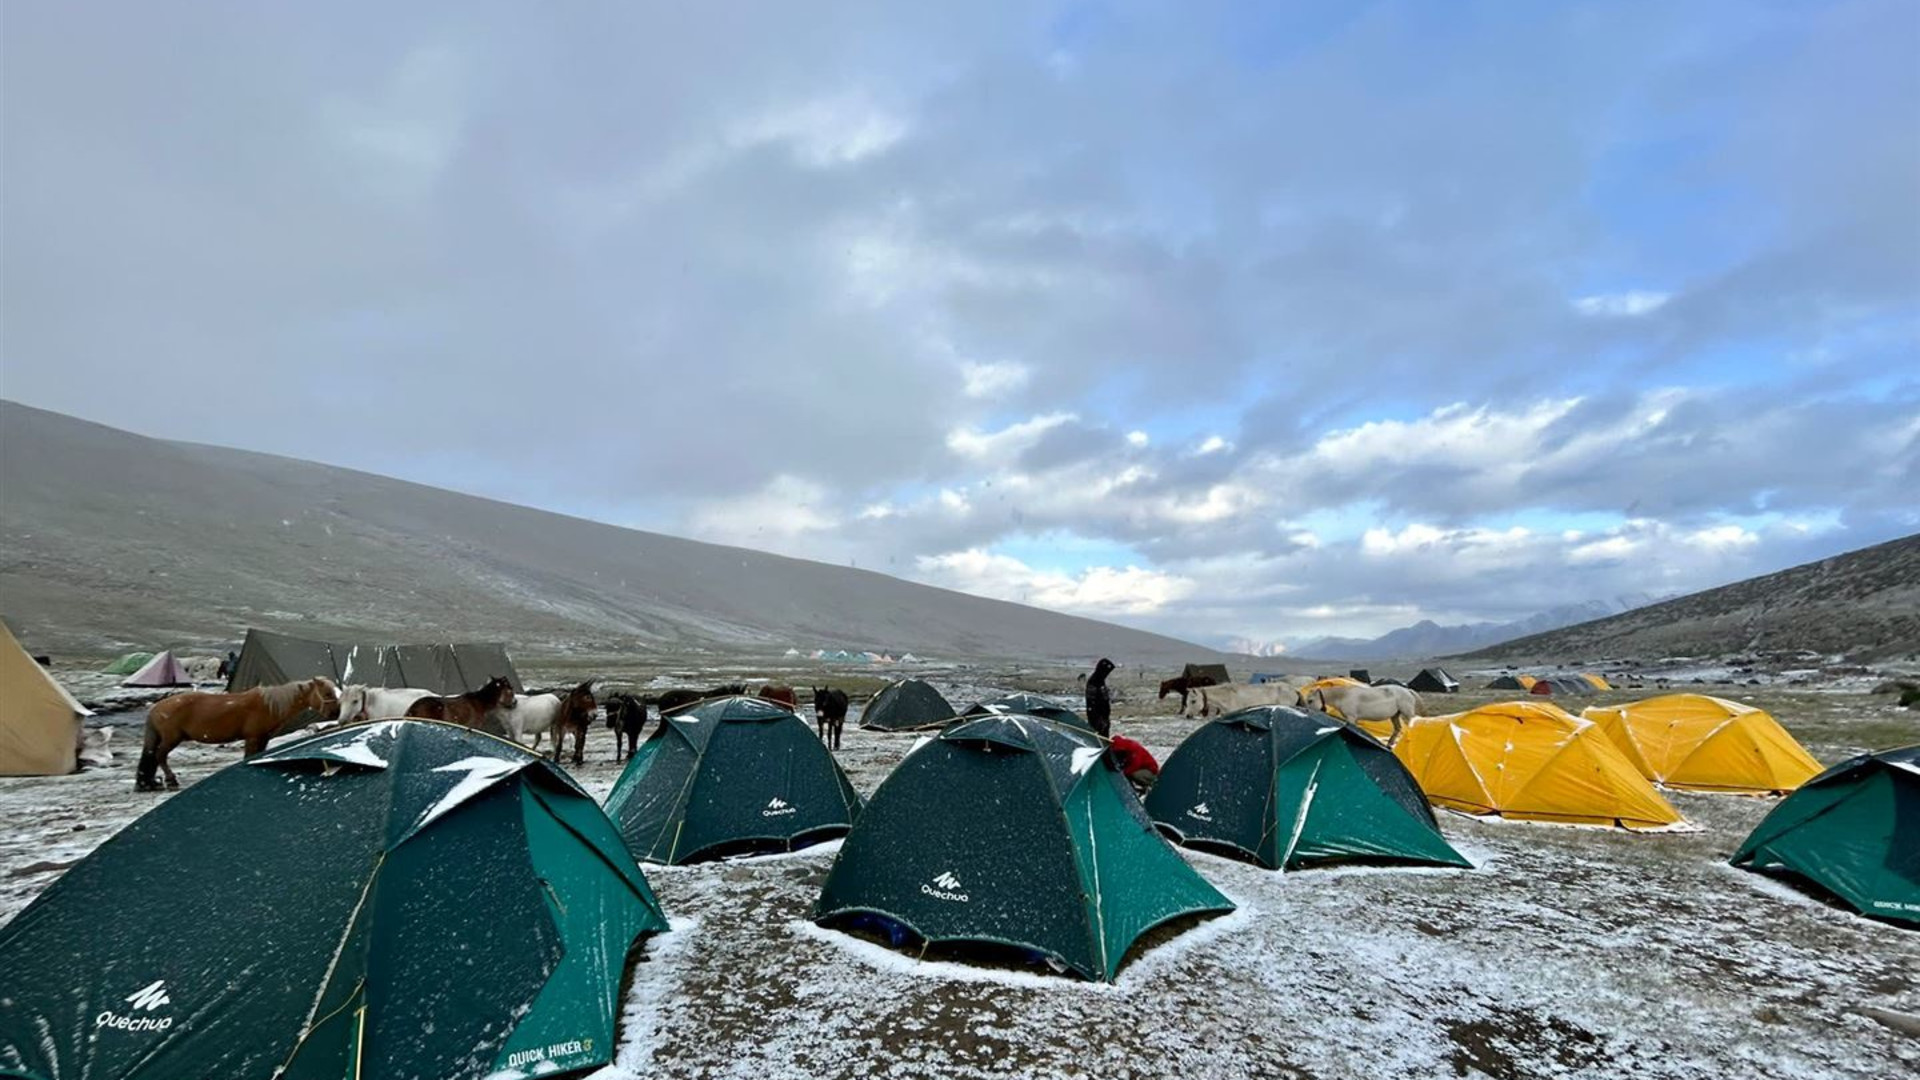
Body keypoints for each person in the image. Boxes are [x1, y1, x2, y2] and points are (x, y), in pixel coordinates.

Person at [1084, 657, 1116, 736]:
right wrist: (1099, 720)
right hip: (1097, 718)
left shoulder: (1100, 681)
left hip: (1104, 716)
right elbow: (1092, 703)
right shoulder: (1093, 682)